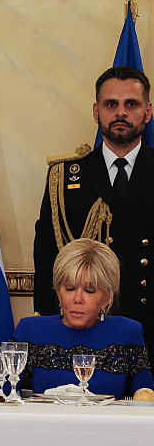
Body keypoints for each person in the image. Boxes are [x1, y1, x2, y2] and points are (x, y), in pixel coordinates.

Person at [34, 66, 154, 353]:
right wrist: (52, 331)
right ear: (96, 111)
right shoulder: (64, 177)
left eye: (131, 104)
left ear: (148, 112)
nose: (120, 112)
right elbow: (47, 258)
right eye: (111, 104)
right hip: (83, 336)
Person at [15, 239, 152, 398]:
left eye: (90, 290)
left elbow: (145, 401)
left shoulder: (128, 332)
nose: (78, 298)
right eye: (70, 288)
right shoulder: (30, 330)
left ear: (108, 296)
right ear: (58, 291)